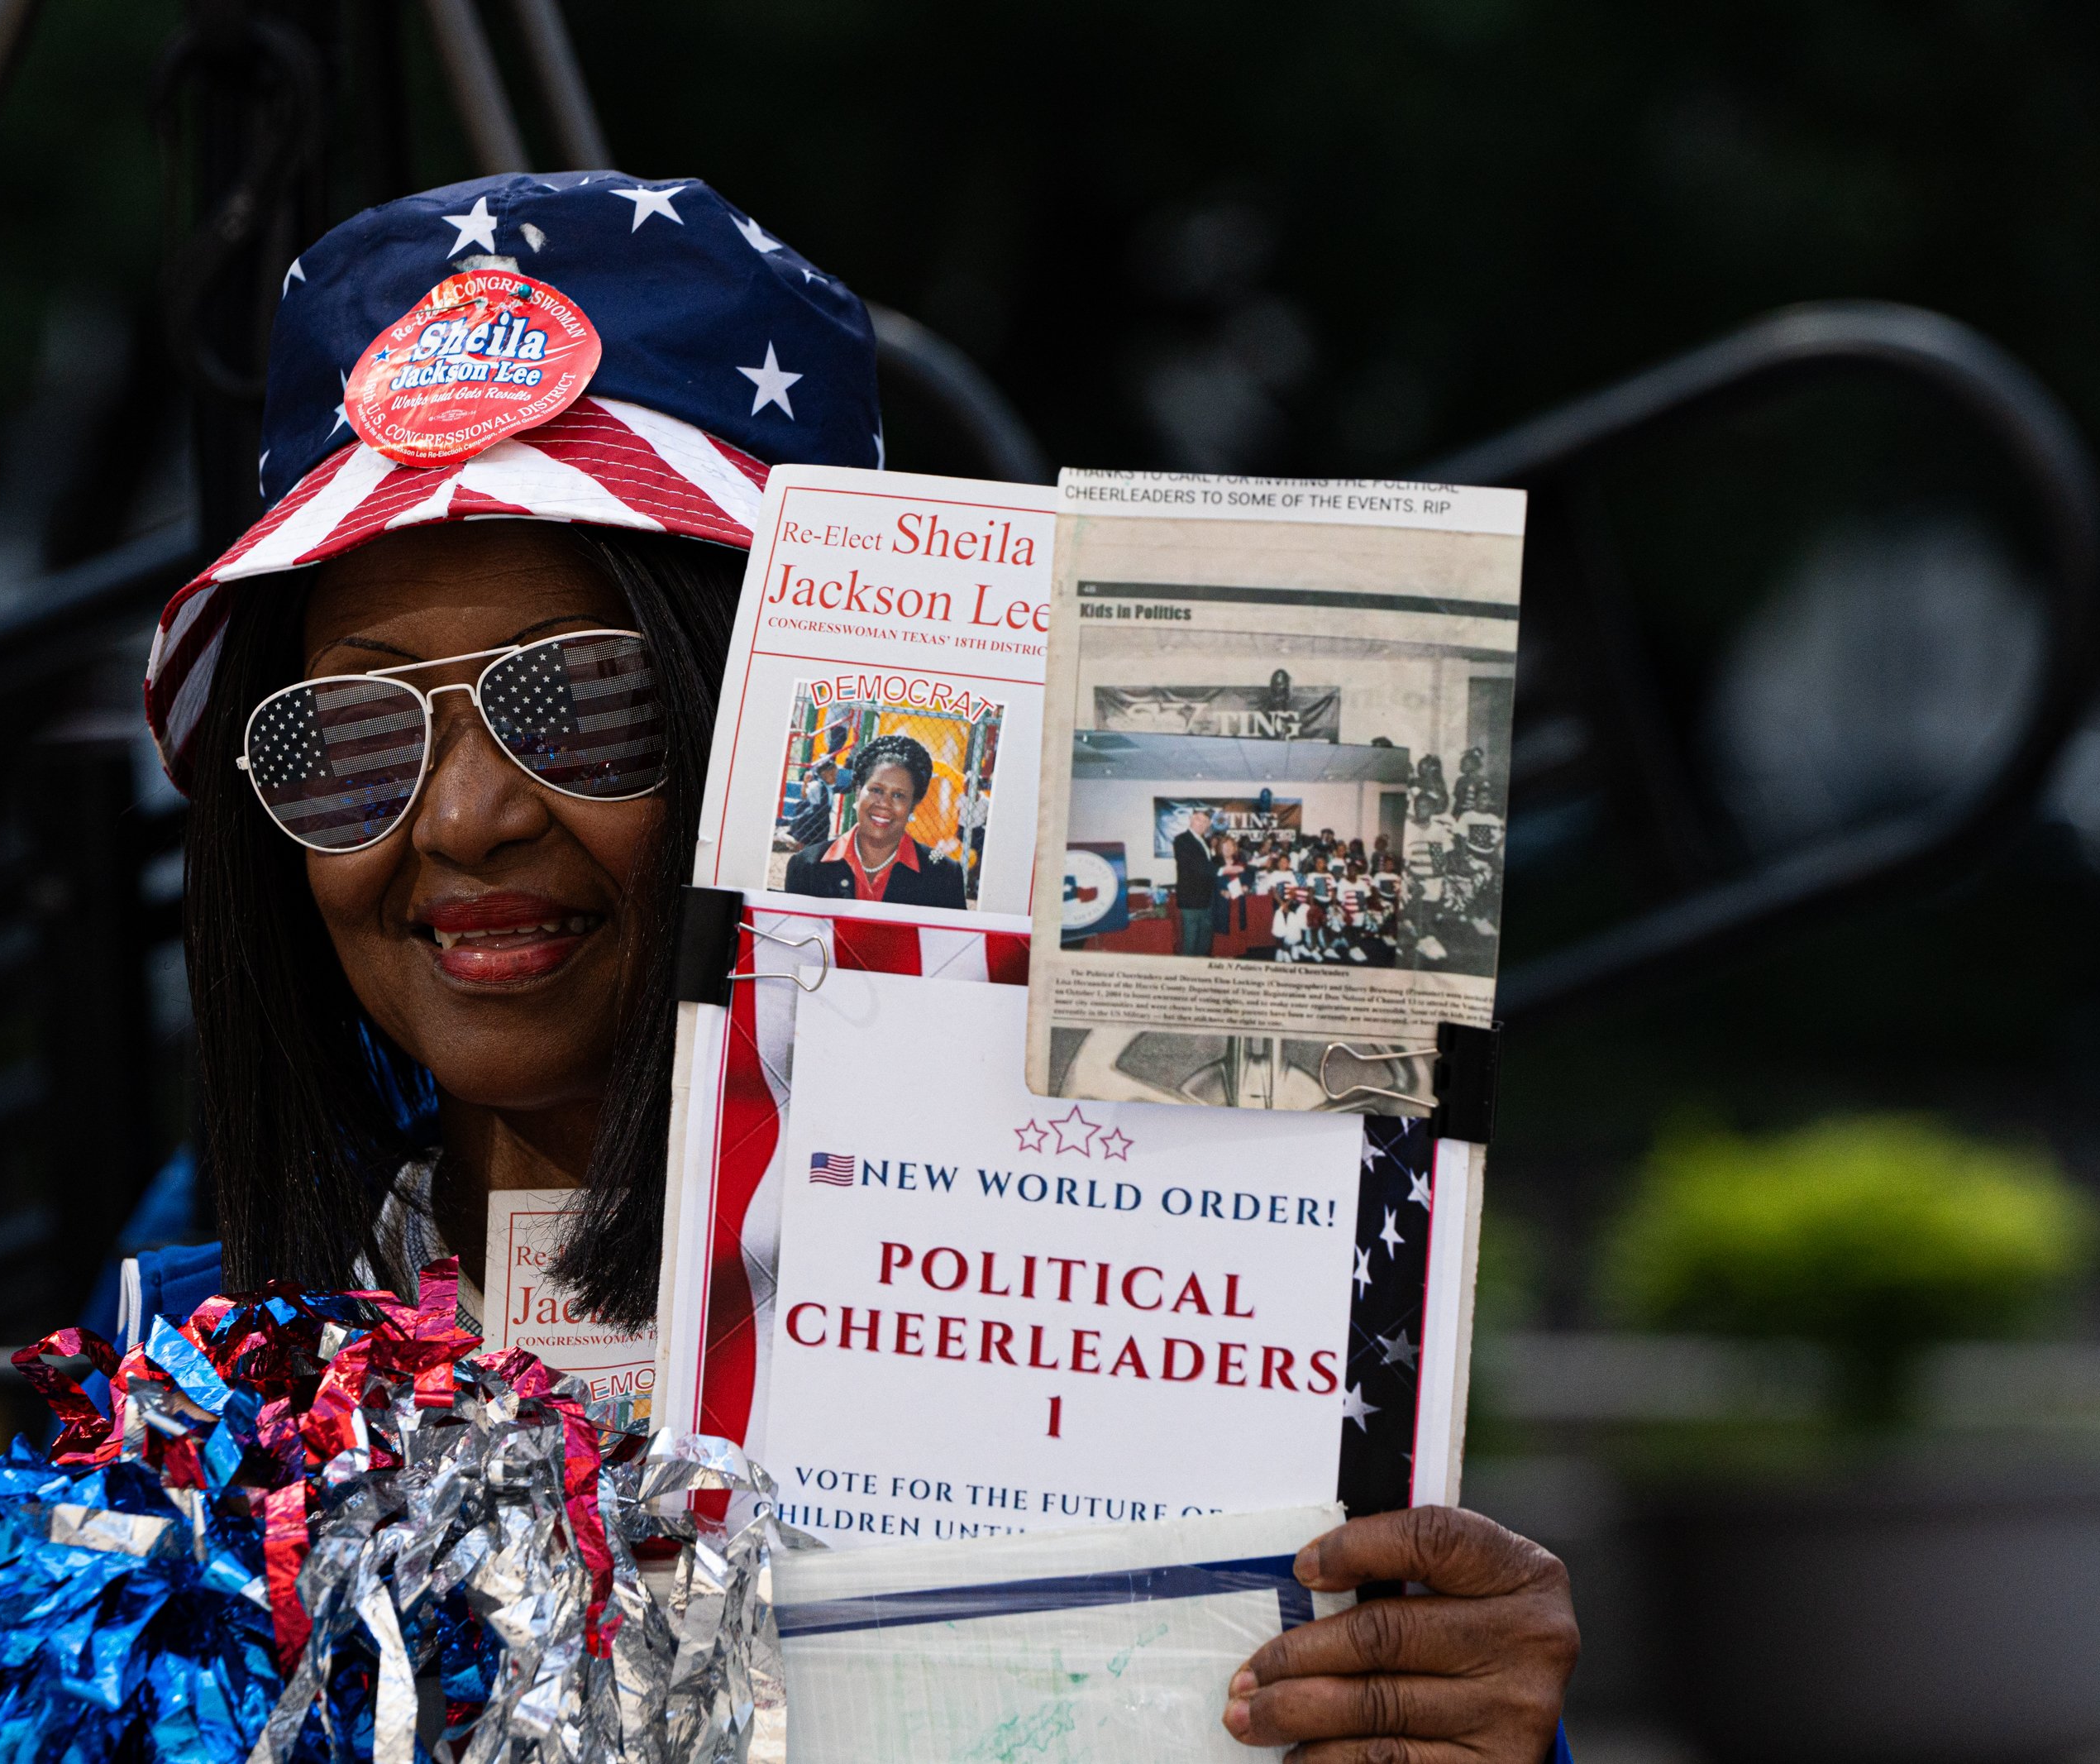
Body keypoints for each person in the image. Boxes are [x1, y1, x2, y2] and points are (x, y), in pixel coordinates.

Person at [145, 170, 1575, 1764]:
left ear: (784, 736)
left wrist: (1441, 1710)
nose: (466, 816)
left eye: (589, 699)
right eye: (349, 734)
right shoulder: (187, 1377)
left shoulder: (1167, 1330)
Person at [780, 732, 969, 907]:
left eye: (898, 795)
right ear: (857, 791)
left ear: (913, 804)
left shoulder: (944, 876)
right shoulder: (807, 866)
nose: (884, 803)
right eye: (876, 790)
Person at [1169, 806, 1219, 957]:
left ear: (1209, 824)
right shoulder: (1182, 840)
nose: (1201, 824)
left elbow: (1209, 864)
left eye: (1206, 821)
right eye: (1198, 819)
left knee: (1204, 943)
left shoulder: (1204, 841)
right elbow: (1196, 865)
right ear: (1191, 819)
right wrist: (1222, 871)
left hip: (1207, 900)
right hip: (1191, 901)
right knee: (1191, 944)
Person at [784, 754, 840, 849]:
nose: (835, 778)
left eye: (835, 775)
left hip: (823, 819)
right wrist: (805, 783)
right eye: (832, 775)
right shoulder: (817, 785)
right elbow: (804, 795)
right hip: (814, 817)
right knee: (810, 838)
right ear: (823, 774)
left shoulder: (829, 787)